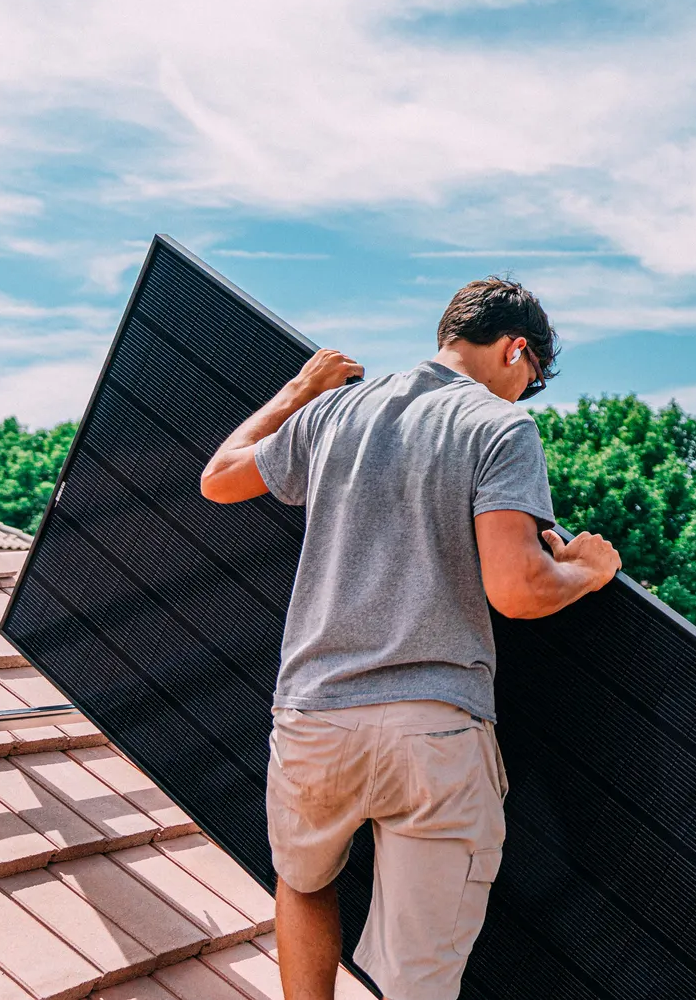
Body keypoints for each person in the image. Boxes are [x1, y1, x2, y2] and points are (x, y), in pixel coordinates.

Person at [199, 277, 621, 1000]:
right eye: (533, 380)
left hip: (314, 717)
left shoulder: (334, 411)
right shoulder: (499, 426)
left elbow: (218, 479)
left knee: (303, 882)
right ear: (516, 350)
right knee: (416, 980)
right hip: (433, 730)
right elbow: (517, 589)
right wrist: (586, 571)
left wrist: (299, 389)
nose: (525, 396)